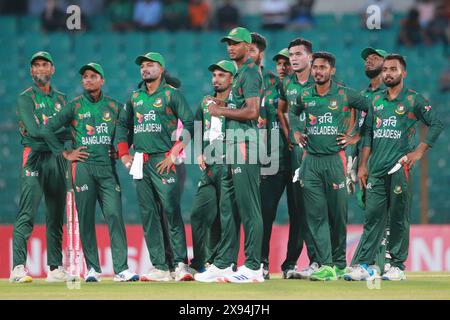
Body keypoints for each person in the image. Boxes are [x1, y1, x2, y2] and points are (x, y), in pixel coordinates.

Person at [344, 54, 444, 281]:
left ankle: (397, 266)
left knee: (398, 217)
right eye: (385, 69)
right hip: (375, 170)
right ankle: (365, 265)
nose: (388, 73)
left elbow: (437, 124)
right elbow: (368, 133)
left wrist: (418, 152)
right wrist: (363, 166)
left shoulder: (413, 100)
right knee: (372, 218)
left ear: (403, 73)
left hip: (399, 168)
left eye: (393, 69)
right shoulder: (375, 101)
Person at [40, 62, 139, 282]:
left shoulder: (114, 107)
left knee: (114, 215)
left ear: (102, 80)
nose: (88, 80)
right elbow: (47, 129)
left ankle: (121, 269)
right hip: (82, 168)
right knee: (85, 219)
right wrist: (65, 154)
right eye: (85, 77)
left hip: (107, 169)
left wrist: (122, 148)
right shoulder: (74, 106)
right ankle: (93, 269)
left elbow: (132, 127)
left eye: (93, 76)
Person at [289, 51, 369, 281]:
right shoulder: (305, 95)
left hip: (335, 160)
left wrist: (356, 135)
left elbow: (370, 108)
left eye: (323, 67)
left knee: (337, 215)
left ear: (332, 70)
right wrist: (295, 131)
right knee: (315, 216)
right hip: (311, 161)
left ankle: (339, 263)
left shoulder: (344, 94)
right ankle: (326, 265)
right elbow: (293, 113)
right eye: (315, 67)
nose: (318, 71)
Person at [116, 52, 195, 282]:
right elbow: (122, 126)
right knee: (149, 215)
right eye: (142, 65)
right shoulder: (134, 97)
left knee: (171, 211)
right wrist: (123, 154)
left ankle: (180, 264)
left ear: (161, 68)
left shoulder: (171, 94)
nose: (145, 69)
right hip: (141, 160)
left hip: (163, 159)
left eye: (150, 65)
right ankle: (160, 266)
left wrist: (175, 152)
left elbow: (189, 123)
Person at [10, 51, 81, 283]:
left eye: (45, 65)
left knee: (55, 215)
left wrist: (51, 135)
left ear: (52, 70)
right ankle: (18, 268)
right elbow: (32, 130)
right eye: (36, 65)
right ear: (31, 71)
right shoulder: (25, 98)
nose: (40, 69)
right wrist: (57, 138)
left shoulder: (62, 99)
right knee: (27, 213)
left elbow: (71, 131)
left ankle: (55, 268)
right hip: (35, 158)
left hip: (57, 160)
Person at [203, 27, 265, 283]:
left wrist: (221, 111)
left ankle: (253, 267)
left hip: (245, 145)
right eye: (228, 43)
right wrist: (223, 106)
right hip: (233, 145)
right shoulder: (239, 74)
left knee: (250, 209)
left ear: (247, 46)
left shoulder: (250, 72)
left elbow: (252, 112)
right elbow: (240, 107)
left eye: (236, 43)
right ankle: (224, 264)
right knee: (228, 207)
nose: (230, 47)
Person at [248, 33, 296, 280]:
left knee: (299, 214)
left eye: (287, 62)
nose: (283, 66)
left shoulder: (305, 91)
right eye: (279, 63)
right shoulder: (265, 88)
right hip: (271, 161)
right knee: (266, 212)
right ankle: (262, 262)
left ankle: (291, 265)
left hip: (298, 161)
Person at [277, 38, 318, 279]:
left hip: (320, 157)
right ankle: (291, 263)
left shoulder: (322, 82)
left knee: (318, 209)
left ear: (310, 57)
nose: (293, 58)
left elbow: (346, 107)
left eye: (299, 54)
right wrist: (289, 133)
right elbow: (281, 110)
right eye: (291, 54)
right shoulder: (287, 85)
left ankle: (322, 260)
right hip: (296, 157)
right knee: (298, 210)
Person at [190, 60, 236, 275]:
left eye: (221, 75)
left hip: (230, 165)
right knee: (199, 213)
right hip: (209, 167)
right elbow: (196, 127)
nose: (216, 79)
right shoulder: (205, 102)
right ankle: (201, 261)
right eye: (214, 75)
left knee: (227, 215)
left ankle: (225, 262)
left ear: (232, 79)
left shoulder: (238, 103)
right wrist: (199, 151)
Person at [348, 47, 390, 275]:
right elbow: (355, 129)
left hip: (384, 161)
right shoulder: (361, 97)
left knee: (382, 213)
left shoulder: (391, 95)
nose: (368, 61)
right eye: (366, 59)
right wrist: (351, 161)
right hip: (364, 163)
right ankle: (372, 263)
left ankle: (376, 264)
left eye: (374, 58)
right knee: (371, 212)